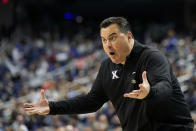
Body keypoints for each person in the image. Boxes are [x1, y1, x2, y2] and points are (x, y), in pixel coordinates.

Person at [24, 17, 194, 131]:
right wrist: (52, 107)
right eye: (104, 40)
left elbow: (165, 87)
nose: (107, 44)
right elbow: (91, 101)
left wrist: (150, 92)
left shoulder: (151, 57)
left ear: (128, 36)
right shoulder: (106, 67)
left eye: (112, 37)